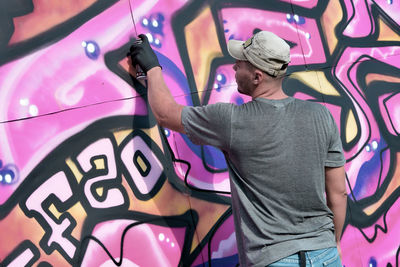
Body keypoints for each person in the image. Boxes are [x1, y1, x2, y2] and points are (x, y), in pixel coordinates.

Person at [129, 30, 347, 267]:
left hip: (273, 259)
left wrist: (152, 68)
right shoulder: (321, 115)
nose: (234, 67)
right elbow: (338, 193)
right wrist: (331, 242)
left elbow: (165, 114)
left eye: (240, 64)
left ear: (257, 77)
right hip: (325, 255)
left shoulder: (233, 120)